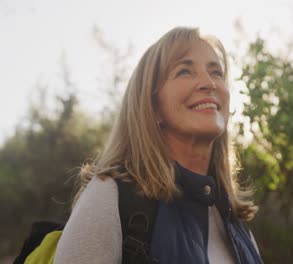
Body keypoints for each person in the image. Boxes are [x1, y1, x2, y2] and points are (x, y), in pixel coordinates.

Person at [53, 27, 263, 264]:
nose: (209, 83)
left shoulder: (235, 221)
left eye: (216, 72)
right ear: (152, 106)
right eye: (185, 71)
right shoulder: (111, 196)